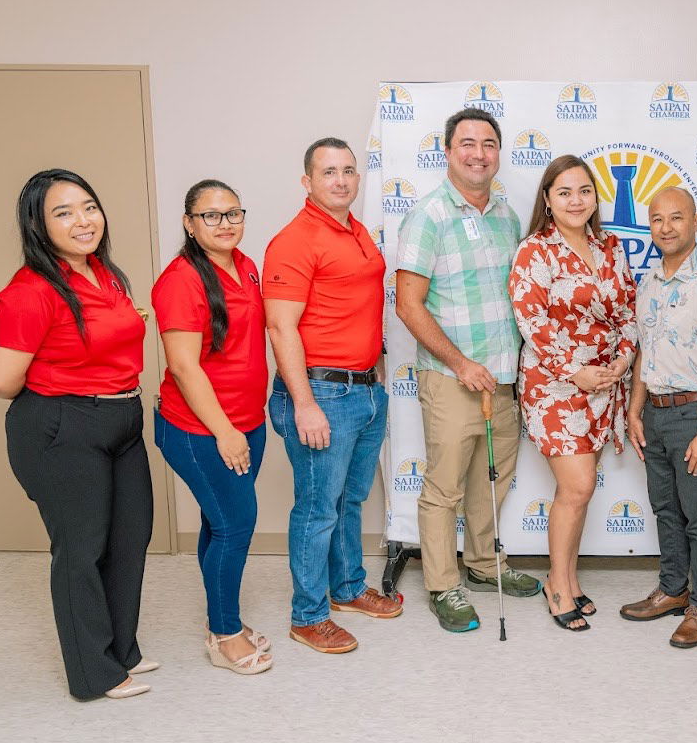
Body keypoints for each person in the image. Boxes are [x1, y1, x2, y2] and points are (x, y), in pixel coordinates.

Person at [0, 169, 155, 699]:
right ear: (39, 227)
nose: (82, 221)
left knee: (130, 538)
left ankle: (120, 650)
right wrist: (64, 386)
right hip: (63, 424)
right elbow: (1, 380)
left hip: (122, 417)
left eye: (88, 207)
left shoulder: (104, 273)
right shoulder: (29, 292)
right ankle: (93, 673)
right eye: (63, 213)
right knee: (81, 548)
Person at [396, 108, 542, 633]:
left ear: (498, 153)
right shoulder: (428, 215)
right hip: (452, 377)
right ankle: (442, 585)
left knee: (493, 482)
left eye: (488, 144)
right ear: (448, 151)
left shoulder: (506, 215)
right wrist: (461, 363)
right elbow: (409, 305)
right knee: (445, 488)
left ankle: (484, 565)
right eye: (467, 144)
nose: (478, 153)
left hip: (505, 380)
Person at [264, 137, 400, 654]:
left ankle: (345, 589)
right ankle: (307, 615)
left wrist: (377, 377)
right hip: (321, 392)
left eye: (348, 170)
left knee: (349, 501)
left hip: (364, 390)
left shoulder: (356, 230)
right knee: (317, 508)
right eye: (328, 172)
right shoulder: (295, 240)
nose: (340, 180)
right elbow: (280, 327)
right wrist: (304, 404)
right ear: (307, 182)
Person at [509, 154, 638, 632]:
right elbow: (533, 324)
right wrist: (574, 371)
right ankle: (557, 586)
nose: (575, 200)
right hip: (554, 385)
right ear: (547, 199)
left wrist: (622, 361)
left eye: (584, 190)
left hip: (605, 384)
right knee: (579, 485)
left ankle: (567, 578)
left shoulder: (611, 246)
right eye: (564, 192)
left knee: (577, 493)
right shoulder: (534, 252)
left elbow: (628, 311)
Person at [152, 180, 272, 674]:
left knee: (218, 522)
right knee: (235, 525)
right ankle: (224, 634)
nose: (225, 224)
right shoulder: (181, 280)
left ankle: (219, 619)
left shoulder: (245, 266)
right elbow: (183, 366)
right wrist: (225, 431)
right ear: (189, 223)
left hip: (248, 421)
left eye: (233, 213)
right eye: (211, 216)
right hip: (201, 430)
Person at [620, 186, 697, 648]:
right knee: (665, 509)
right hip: (654, 412)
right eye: (657, 219)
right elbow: (643, 354)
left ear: (695, 223)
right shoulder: (648, 284)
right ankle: (674, 590)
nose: (666, 228)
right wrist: (634, 409)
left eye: (677, 218)